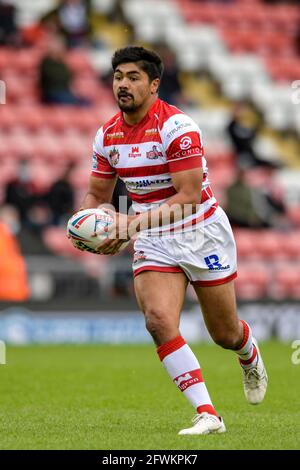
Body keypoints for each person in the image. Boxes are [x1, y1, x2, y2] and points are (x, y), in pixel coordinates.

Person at [74, 46, 268, 435]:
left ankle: (248, 354)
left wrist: (130, 225)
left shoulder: (178, 128)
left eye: (133, 77)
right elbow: (96, 195)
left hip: (200, 231)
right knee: (158, 320)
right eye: (118, 77)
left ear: (154, 84)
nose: (123, 85)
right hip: (153, 237)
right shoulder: (107, 135)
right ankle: (208, 413)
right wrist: (89, 223)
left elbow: (187, 197)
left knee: (224, 333)